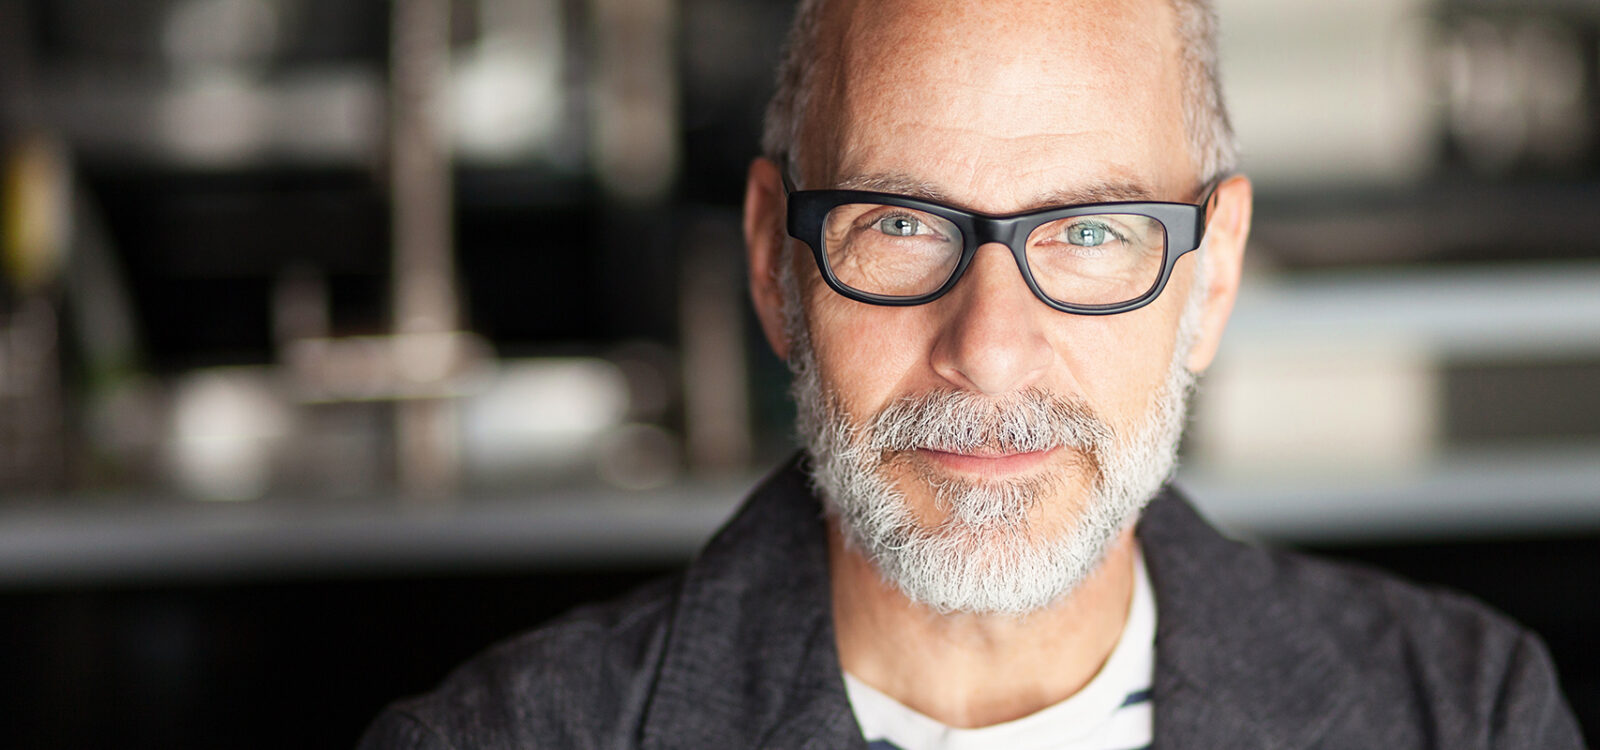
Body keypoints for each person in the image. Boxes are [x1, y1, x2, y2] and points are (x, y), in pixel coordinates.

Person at [359, 0, 1586, 747]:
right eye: (898, 224)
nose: (988, 345)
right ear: (772, 262)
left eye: (1091, 232)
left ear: (1209, 281)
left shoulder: (1459, 716)